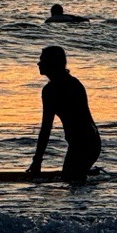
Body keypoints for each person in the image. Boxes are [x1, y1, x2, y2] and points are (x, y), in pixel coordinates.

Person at [29, 44, 102, 182]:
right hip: (92, 142)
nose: (38, 63)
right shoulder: (74, 83)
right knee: (74, 179)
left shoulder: (51, 90)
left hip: (82, 144)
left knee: (71, 181)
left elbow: (46, 128)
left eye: (42, 60)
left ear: (51, 64)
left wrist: (37, 161)